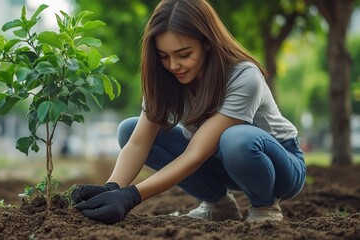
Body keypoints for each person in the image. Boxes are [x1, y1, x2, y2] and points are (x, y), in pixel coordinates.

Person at [71, 0, 306, 224]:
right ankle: (219, 204)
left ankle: (264, 207)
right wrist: (112, 188)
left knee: (236, 139)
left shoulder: (243, 76)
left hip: (279, 168)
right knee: (129, 129)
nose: (173, 66)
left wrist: (131, 196)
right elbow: (138, 143)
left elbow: (196, 153)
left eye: (184, 55)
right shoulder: (166, 80)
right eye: (164, 56)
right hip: (222, 162)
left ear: (207, 42)